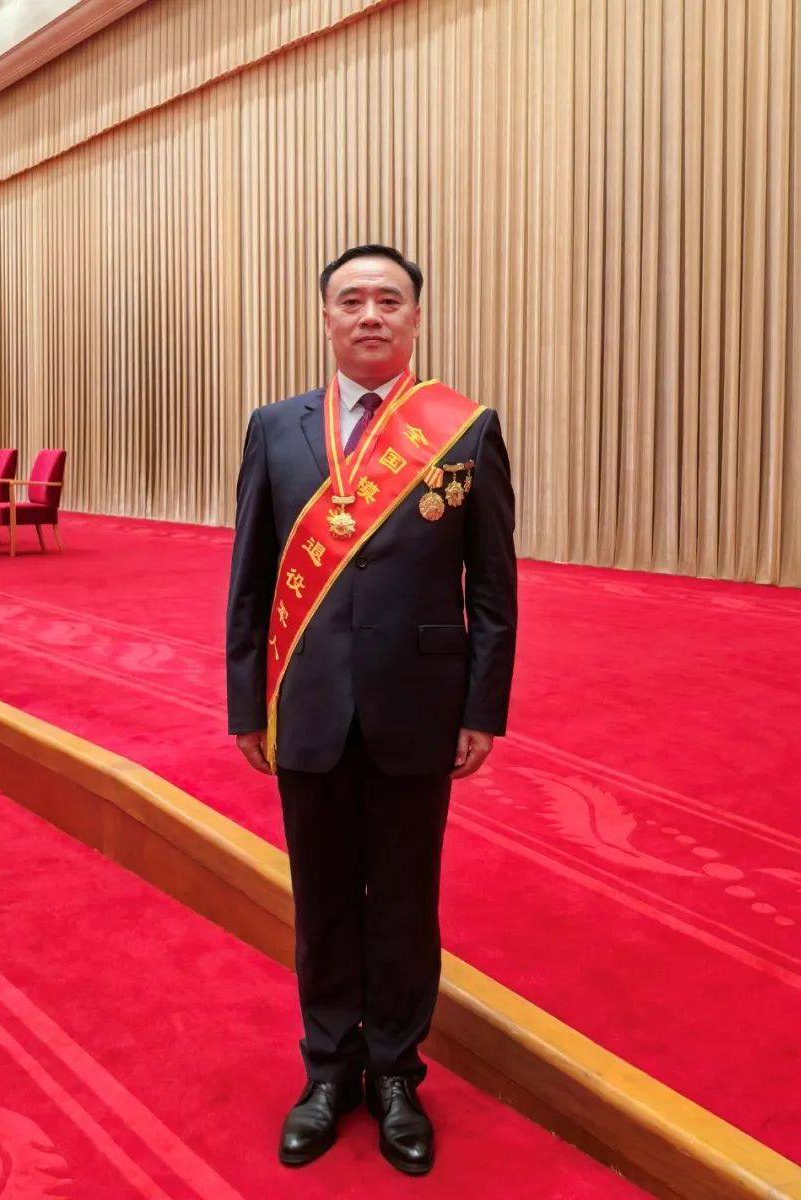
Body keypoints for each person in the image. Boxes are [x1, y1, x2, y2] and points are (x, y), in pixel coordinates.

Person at [226, 244, 517, 1176]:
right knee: (320, 902)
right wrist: (246, 704)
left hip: (417, 708)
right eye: (351, 300)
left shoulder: (462, 431)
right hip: (306, 705)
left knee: (403, 902)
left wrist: (482, 707)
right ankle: (326, 1072)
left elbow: (494, 589)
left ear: (415, 319)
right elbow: (250, 580)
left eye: (389, 300)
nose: (370, 315)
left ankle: (395, 1074)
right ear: (326, 319)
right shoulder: (275, 429)